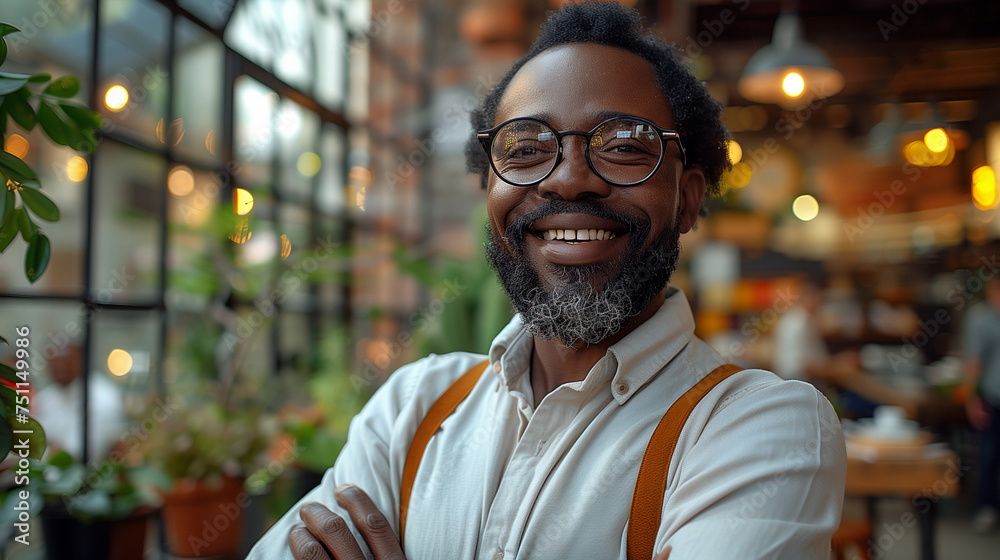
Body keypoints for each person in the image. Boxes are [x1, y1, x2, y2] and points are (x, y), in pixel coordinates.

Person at [248, 4, 845, 559]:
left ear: (686, 199)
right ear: (489, 187)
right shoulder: (411, 409)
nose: (568, 180)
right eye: (528, 148)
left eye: (624, 146)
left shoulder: (760, 428)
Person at [963, 275, 1000, 533]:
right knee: (988, 454)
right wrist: (971, 398)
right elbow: (974, 363)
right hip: (993, 395)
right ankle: (986, 507)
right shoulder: (981, 319)